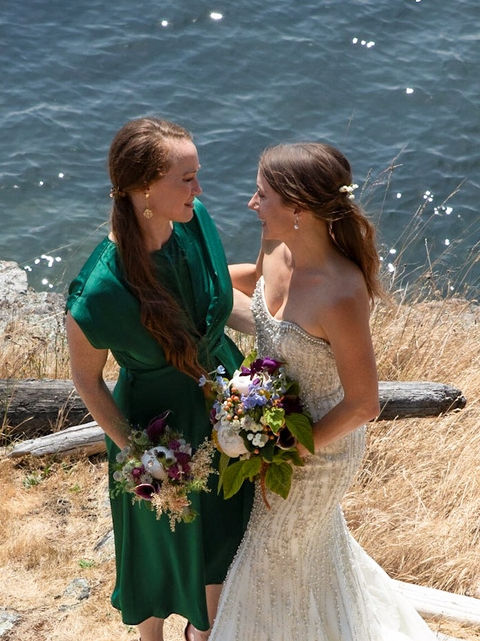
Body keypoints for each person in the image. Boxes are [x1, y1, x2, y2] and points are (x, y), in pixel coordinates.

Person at [209, 142, 438, 640]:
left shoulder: (341, 291)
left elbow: (364, 403)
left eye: (262, 194)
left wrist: (290, 445)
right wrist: (191, 288)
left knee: (273, 558)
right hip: (273, 433)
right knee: (295, 559)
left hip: (322, 448)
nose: (251, 203)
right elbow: (254, 283)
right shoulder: (275, 245)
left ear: (297, 207)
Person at [65, 117, 252, 641]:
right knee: (156, 539)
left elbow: (219, 303)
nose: (200, 189)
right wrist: (139, 454)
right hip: (157, 426)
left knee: (222, 535)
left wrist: (284, 334)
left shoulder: (195, 222)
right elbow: (86, 380)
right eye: (187, 178)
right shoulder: (99, 291)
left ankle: (202, 633)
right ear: (144, 188)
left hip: (223, 402)